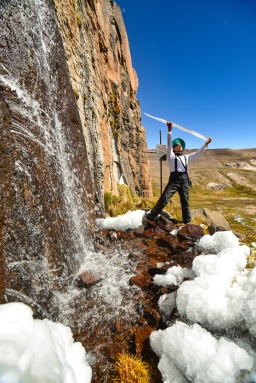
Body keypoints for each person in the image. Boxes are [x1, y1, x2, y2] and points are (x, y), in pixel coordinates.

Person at [146, 121, 212, 224]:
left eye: (180, 145)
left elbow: (198, 153)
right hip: (174, 180)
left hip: (185, 180)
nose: (179, 146)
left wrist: (206, 144)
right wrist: (169, 131)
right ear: (173, 148)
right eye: (176, 145)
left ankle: (187, 222)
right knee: (165, 198)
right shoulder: (171, 156)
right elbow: (168, 143)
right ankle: (152, 215)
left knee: (185, 202)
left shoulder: (186, 157)